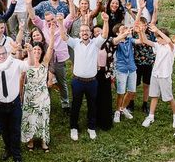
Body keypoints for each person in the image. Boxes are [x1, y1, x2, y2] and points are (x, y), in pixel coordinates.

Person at [63, 12, 110, 141]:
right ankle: (73, 127)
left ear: (90, 33)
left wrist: (105, 21)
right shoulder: (75, 43)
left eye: (87, 31)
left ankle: (91, 127)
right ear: (79, 33)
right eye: (82, 31)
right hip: (77, 81)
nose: (84, 33)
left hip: (92, 82)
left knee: (92, 105)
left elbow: (105, 35)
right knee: (76, 105)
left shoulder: (95, 43)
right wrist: (61, 22)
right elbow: (64, 36)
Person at [0, 44, 29, 162]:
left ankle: (17, 155)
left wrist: (29, 51)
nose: (1, 56)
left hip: (14, 103)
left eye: (3, 53)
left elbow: (29, 65)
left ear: (6, 54)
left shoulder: (16, 63)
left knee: (15, 130)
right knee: (4, 129)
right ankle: (8, 150)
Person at [21, 26, 56, 152]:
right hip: (29, 94)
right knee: (29, 117)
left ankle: (43, 141)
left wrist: (52, 35)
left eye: (38, 50)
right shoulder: (27, 62)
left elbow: (51, 48)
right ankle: (30, 140)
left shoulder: (45, 63)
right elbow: (21, 78)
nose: (36, 52)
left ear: (41, 51)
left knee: (43, 117)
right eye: (34, 49)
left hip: (42, 94)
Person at [140, 25, 175, 129]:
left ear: (164, 37)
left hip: (165, 76)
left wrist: (158, 31)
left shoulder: (172, 47)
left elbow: (169, 41)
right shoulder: (158, 45)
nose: (157, 40)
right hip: (155, 74)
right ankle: (151, 116)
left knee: (169, 98)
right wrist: (141, 31)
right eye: (156, 38)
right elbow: (144, 40)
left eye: (159, 38)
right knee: (154, 96)